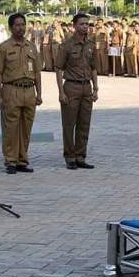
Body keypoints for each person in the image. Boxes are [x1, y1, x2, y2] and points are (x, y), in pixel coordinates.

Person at [0, 13, 42, 174]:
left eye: (23, 24)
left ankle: (22, 159)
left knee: (26, 127)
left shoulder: (31, 47)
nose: (21, 28)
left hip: (28, 90)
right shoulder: (4, 47)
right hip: (11, 89)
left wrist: (39, 94)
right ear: (11, 27)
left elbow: (37, 72)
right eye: (17, 25)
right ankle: (11, 160)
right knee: (10, 127)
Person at [55, 13, 98, 170]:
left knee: (84, 124)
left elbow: (94, 68)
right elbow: (59, 68)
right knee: (69, 124)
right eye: (82, 24)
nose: (85, 26)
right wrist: (61, 92)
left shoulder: (91, 45)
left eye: (87, 24)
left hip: (86, 87)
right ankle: (70, 157)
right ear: (74, 26)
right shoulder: (67, 45)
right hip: (71, 87)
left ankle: (81, 156)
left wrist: (96, 88)